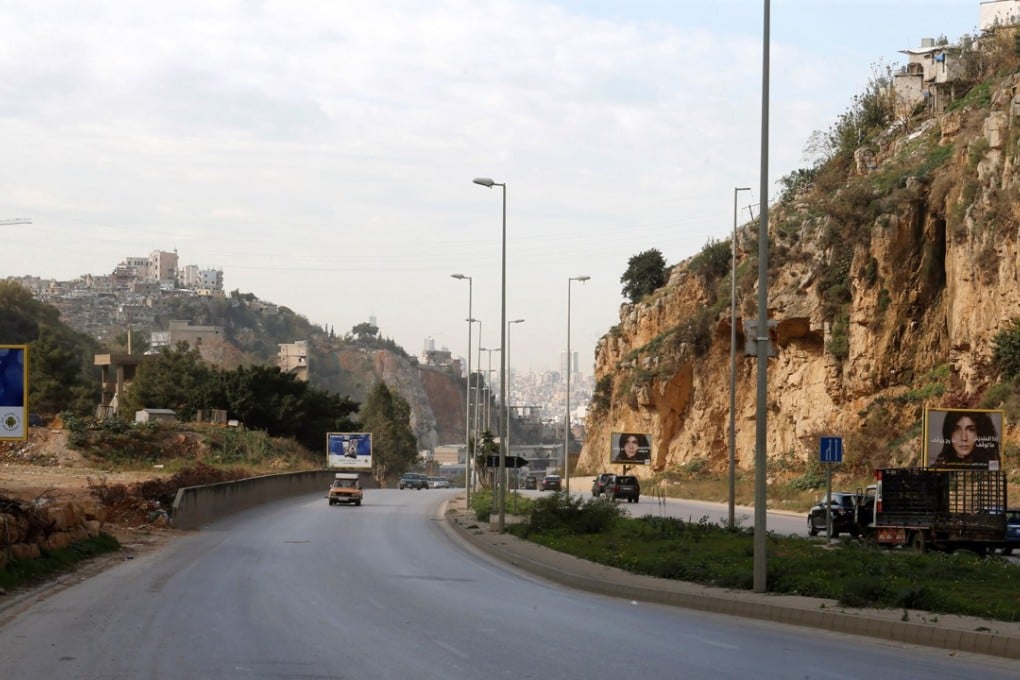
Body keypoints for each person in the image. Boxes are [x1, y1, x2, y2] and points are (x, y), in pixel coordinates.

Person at [932, 411, 999, 467]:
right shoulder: (938, 470)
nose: (964, 438)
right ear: (949, 433)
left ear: (979, 433)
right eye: (956, 429)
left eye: (971, 430)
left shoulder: (990, 465)